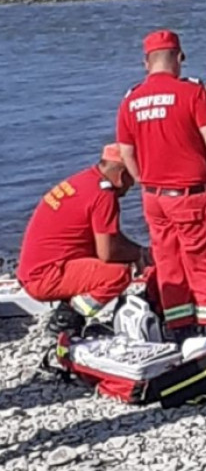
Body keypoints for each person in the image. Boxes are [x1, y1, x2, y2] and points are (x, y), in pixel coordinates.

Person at [117, 30, 206, 342]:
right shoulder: (191, 93)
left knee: (170, 263)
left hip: (154, 198)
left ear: (146, 63)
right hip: (189, 195)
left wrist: (146, 181)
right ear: (179, 58)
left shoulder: (131, 100)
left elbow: (126, 153)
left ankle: (179, 331)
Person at [17, 144, 150, 335]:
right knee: (118, 274)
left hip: (34, 269)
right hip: (46, 276)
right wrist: (141, 253)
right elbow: (108, 252)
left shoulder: (83, 181)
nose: (132, 186)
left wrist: (136, 252)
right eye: (132, 178)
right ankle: (69, 317)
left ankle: (68, 312)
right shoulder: (104, 196)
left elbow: (109, 238)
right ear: (122, 174)